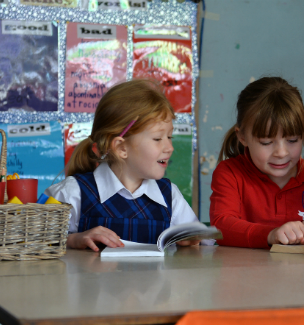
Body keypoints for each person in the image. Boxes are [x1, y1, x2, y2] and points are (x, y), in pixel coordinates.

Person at [45, 79, 199, 251]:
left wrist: (192, 242)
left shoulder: (170, 195)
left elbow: (202, 246)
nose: (170, 148)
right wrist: (73, 240)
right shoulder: (72, 193)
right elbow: (32, 241)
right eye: (157, 139)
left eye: (169, 137)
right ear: (121, 148)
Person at [210, 77, 304, 249]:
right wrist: (271, 234)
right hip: (244, 275)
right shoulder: (230, 174)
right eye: (266, 142)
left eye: (292, 140)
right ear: (242, 137)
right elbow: (220, 227)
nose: (281, 153)